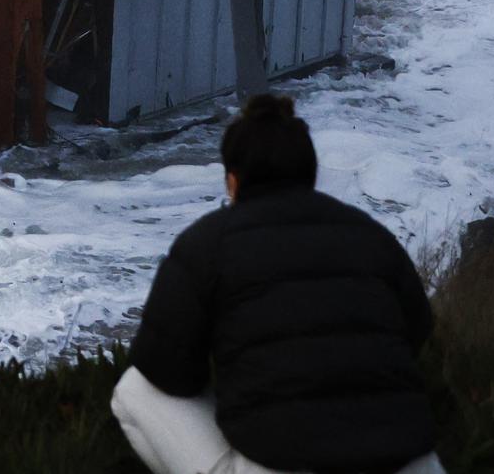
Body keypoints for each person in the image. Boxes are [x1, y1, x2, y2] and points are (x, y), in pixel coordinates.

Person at [113, 93, 444, 474]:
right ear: (310, 174)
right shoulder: (370, 234)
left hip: (285, 463)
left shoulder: (206, 244)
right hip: (410, 462)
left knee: (135, 389)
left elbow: (166, 371)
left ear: (233, 181)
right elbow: (417, 330)